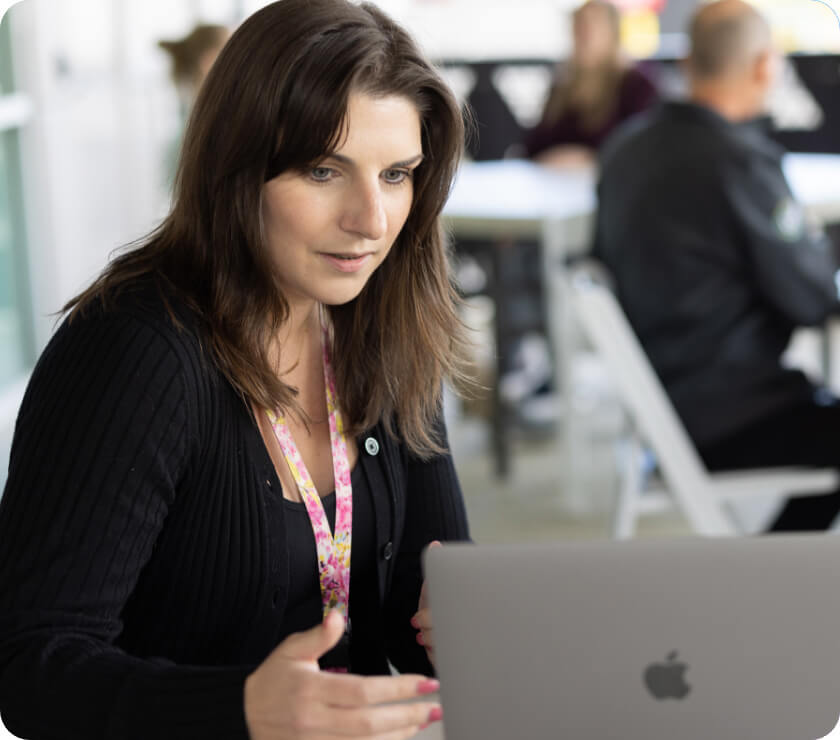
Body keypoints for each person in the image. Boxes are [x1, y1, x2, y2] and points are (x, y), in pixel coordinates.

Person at [0, 1, 472, 738]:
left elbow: (422, 602)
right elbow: (31, 668)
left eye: (397, 174)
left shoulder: (386, 330)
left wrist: (460, 628)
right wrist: (243, 707)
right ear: (236, 169)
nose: (371, 219)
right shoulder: (134, 354)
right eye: (323, 170)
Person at [593, 0, 840, 531]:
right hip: (734, 415)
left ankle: (779, 570)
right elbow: (813, 297)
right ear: (763, 66)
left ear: (688, 63)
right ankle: (779, 575)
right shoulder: (738, 162)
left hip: (666, 408)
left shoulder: (623, 151)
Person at [523, 0, 659, 169]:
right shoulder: (563, 84)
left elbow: (639, 149)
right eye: (578, 27)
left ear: (612, 32)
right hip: (553, 184)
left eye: (591, 27)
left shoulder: (636, 86)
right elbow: (532, 147)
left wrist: (588, 160)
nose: (584, 35)